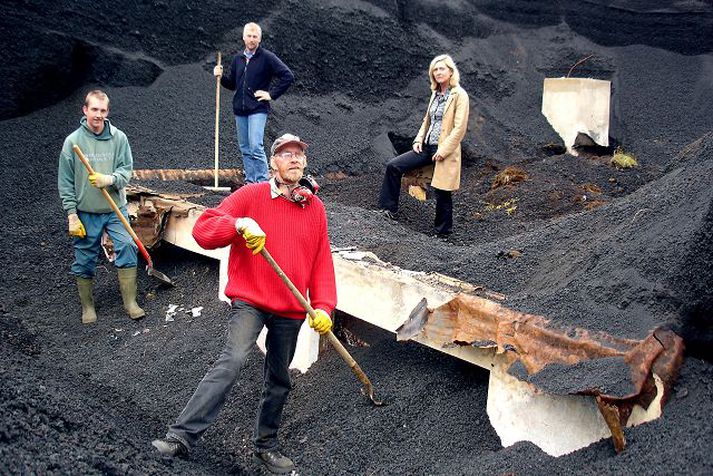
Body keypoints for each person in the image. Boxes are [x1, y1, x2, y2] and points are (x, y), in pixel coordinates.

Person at [152, 133, 337, 475]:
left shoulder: (315, 208)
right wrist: (237, 224)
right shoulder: (251, 195)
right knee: (233, 359)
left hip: (292, 308)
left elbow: (321, 261)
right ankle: (180, 437)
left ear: (305, 163)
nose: (294, 159)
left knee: (279, 378)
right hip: (251, 299)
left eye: (299, 155)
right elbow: (203, 231)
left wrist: (324, 307)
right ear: (273, 163)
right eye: (286, 154)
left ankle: (265, 448)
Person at [58, 90, 145, 324]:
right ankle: (87, 307)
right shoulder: (73, 142)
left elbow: (126, 170)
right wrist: (72, 215)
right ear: (85, 110)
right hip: (86, 212)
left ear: (108, 112)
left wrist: (109, 179)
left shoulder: (119, 138)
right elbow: (65, 182)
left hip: (115, 208)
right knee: (85, 257)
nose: (98, 115)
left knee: (127, 245)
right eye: (94, 109)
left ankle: (130, 302)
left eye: (103, 110)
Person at [379, 54, 470, 237]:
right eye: (435, 70)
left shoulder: (459, 95)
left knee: (442, 190)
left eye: (441, 68)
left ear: (451, 71)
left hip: (445, 150)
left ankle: (442, 233)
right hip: (427, 147)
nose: (438, 72)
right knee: (393, 166)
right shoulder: (435, 94)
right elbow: (426, 121)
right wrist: (418, 140)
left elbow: (459, 128)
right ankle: (387, 210)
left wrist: (443, 151)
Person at [214, 22, 295, 184]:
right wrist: (220, 77)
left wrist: (271, 94)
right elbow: (233, 84)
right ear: (244, 37)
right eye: (249, 36)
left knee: (255, 146)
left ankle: (263, 182)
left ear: (259, 39)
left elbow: (288, 76)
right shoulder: (238, 59)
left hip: (258, 108)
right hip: (240, 109)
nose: (252, 39)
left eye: (255, 37)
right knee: (245, 148)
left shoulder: (267, 57)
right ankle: (251, 183)